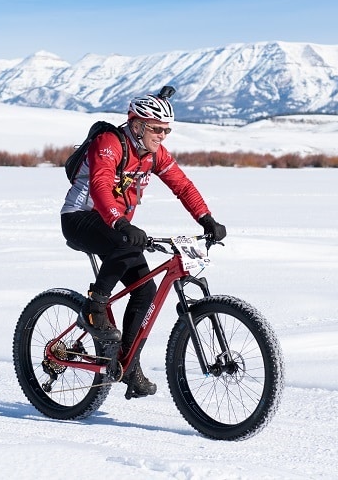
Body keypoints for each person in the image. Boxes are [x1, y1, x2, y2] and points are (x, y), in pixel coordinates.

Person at [60, 87, 227, 399]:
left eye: (167, 130)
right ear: (136, 125)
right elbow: (99, 186)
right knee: (127, 244)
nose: (162, 136)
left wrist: (205, 219)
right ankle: (94, 306)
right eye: (157, 129)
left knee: (146, 290)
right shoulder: (109, 143)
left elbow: (182, 184)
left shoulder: (154, 153)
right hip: (80, 218)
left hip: (114, 224)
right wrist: (121, 222)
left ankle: (128, 362)